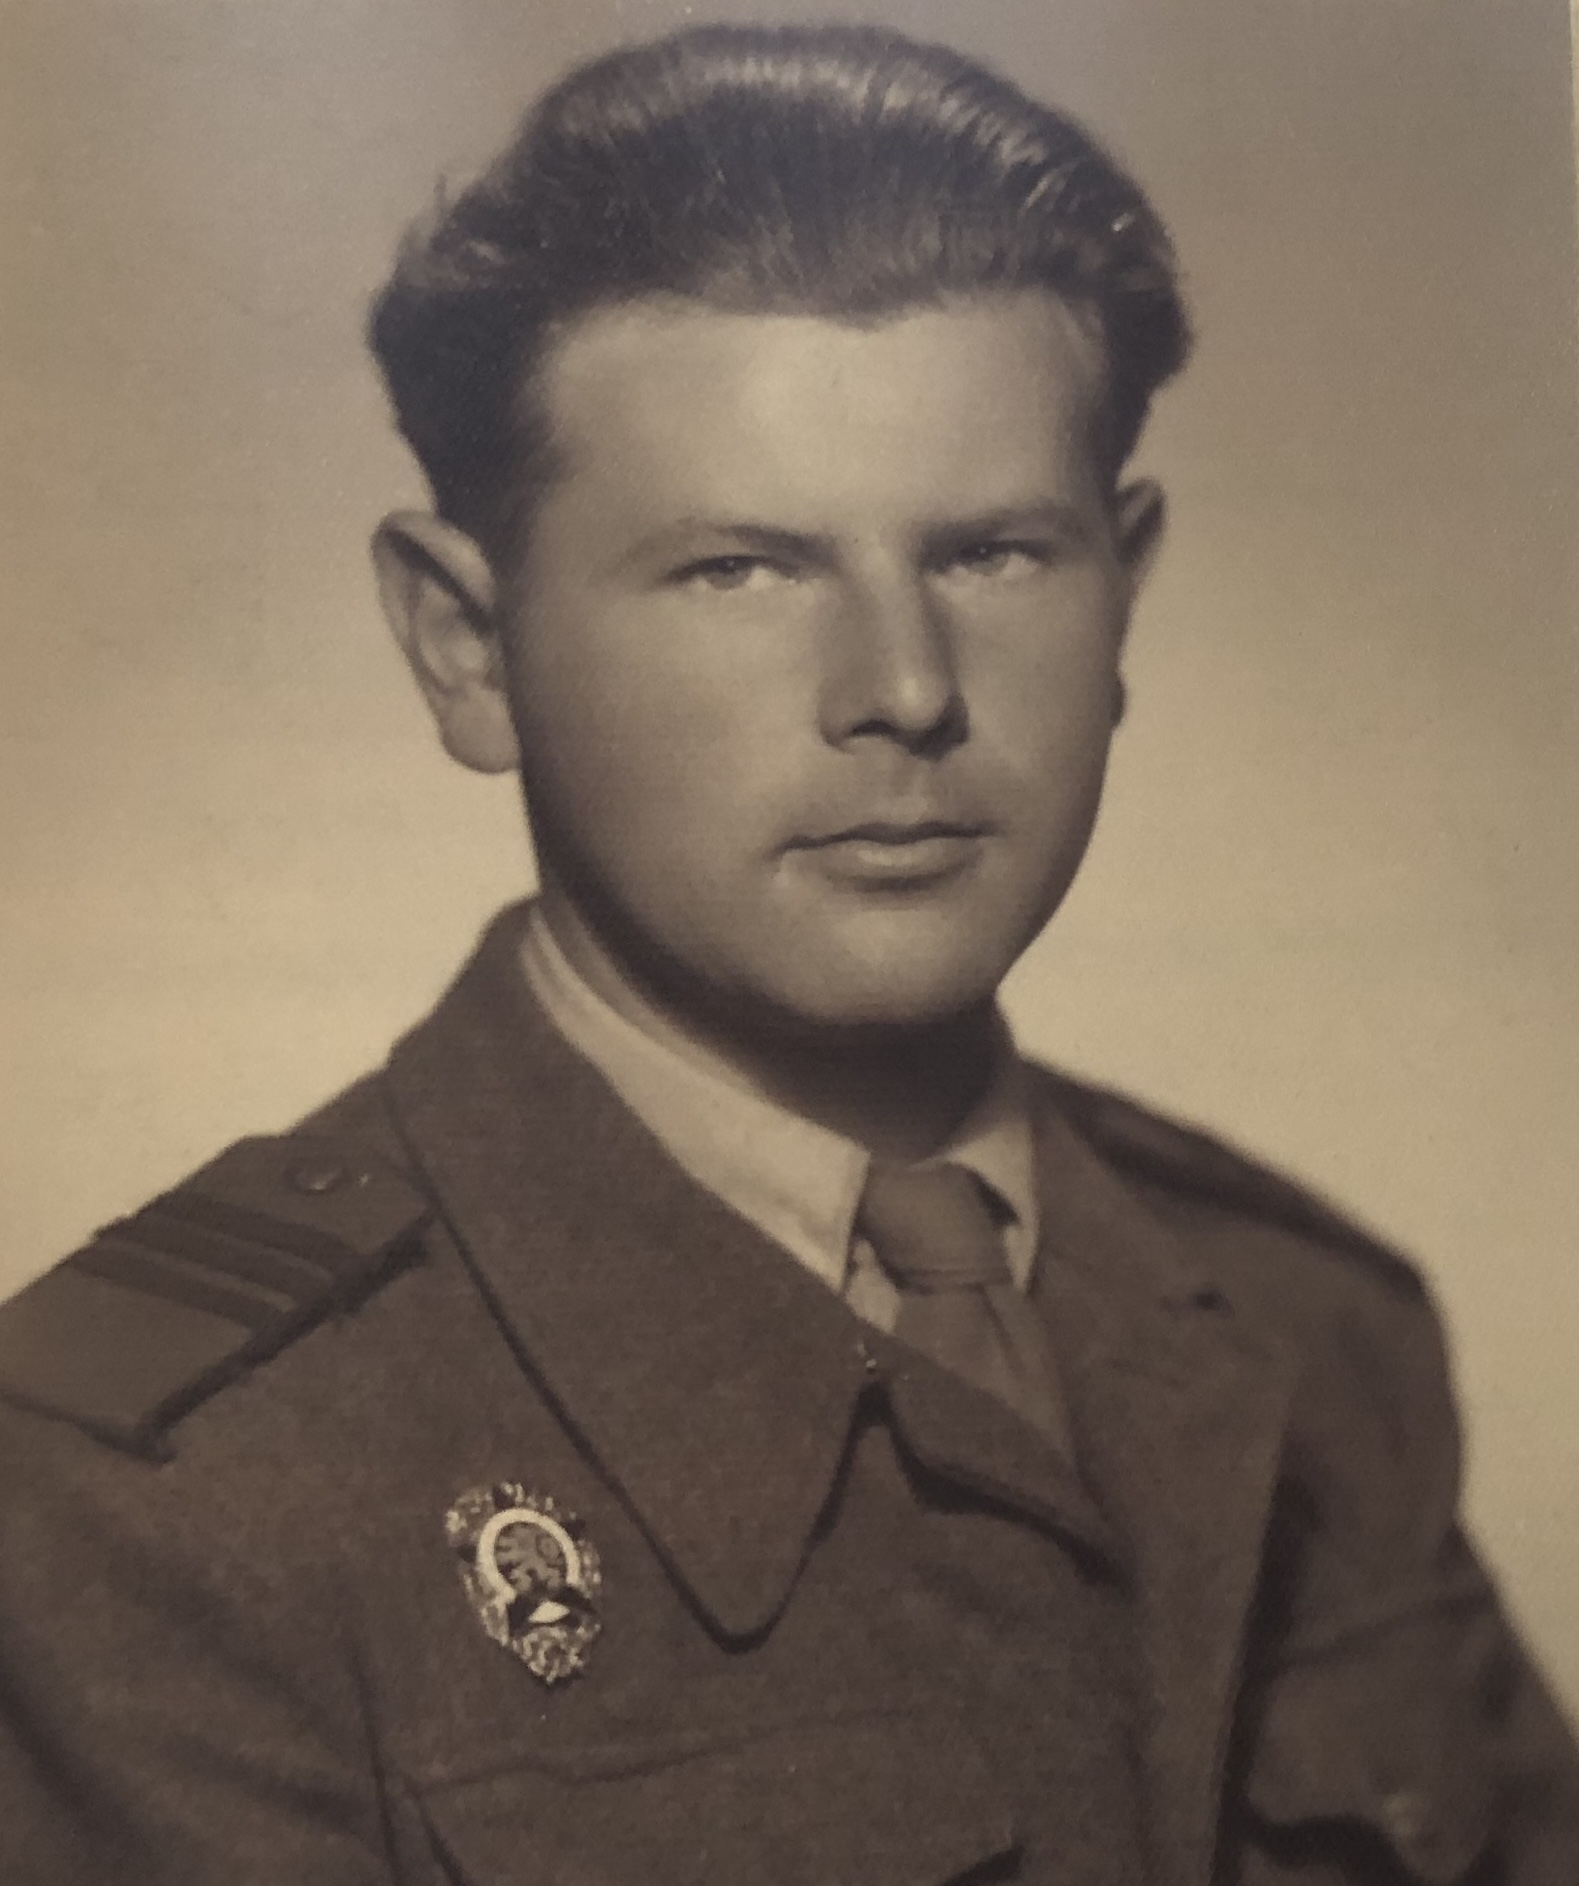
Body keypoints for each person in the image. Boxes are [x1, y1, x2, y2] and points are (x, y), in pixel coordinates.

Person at [0, 21, 1574, 1885]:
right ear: (466, 647)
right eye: (740, 568)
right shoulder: (161, 1498)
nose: (903, 687)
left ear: (1125, 591)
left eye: (993, 554)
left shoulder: (1315, 1330)